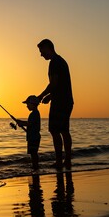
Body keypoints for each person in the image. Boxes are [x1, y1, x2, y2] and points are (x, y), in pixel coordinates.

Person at [36, 39, 74, 169]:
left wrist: (40, 97)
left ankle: (60, 161)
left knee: (54, 130)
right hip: (66, 100)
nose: (41, 55)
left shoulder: (55, 63)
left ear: (48, 48)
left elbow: (54, 84)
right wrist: (50, 96)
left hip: (61, 102)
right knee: (64, 131)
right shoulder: (61, 61)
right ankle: (67, 160)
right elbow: (60, 85)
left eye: (42, 51)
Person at [16, 95, 41, 170]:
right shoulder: (35, 113)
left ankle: (35, 167)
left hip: (33, 137)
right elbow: (30, 125)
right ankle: (35, 166)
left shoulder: (34, 114)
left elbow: (29, 124)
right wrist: (21, 123)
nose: (27, 106)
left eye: (28, 104)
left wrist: (21, 123)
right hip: (33, 136)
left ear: (32, 104)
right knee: (33, 153)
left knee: (33, 153)